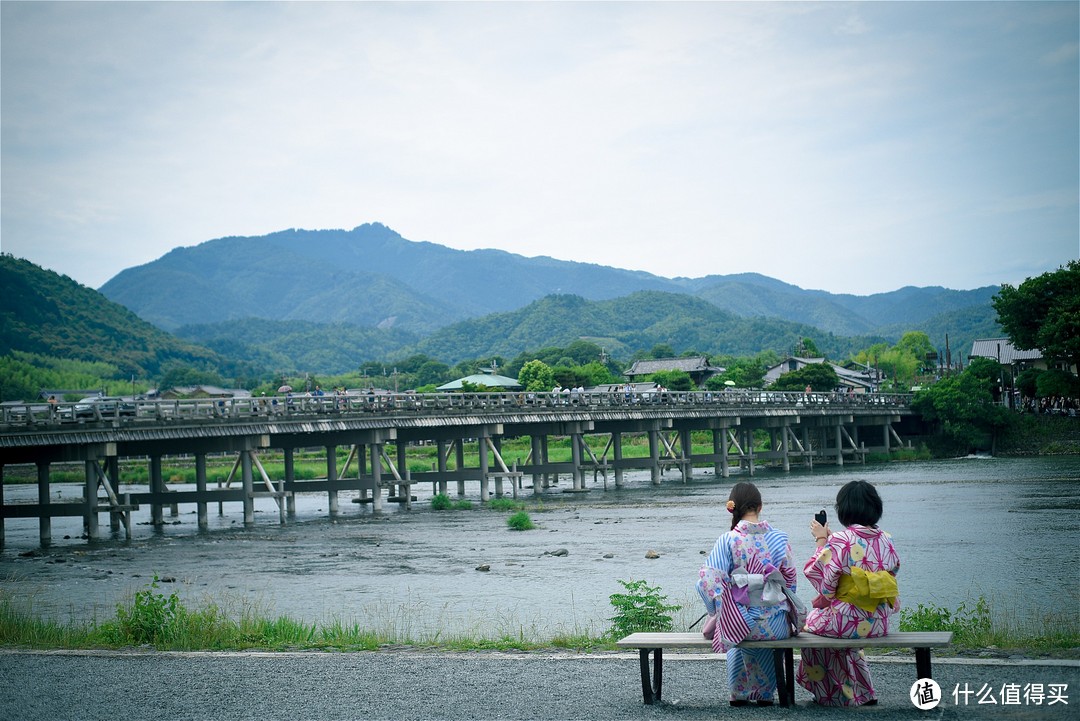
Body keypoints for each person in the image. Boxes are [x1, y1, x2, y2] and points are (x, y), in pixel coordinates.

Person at [796, 480, 900, 707]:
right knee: (843, 641)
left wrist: (822, 540)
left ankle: (829, 694)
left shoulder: (840, 540)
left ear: (844, 509)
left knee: (807, 625)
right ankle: (863, 691)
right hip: (879, 621)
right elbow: (893, 572)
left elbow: (821, 580)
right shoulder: (886, 538)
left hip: (849, 621)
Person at [697, 482, 797, 707]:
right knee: (763, 626)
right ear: (760, 506)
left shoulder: (728, 539)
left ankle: (739, 693)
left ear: (733, 508)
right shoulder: (779, 538)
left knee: (734, 623)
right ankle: (764, 693)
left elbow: (707, 580)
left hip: (741, 624)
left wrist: (719, 610)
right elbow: (790, 582)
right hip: (775, 625)